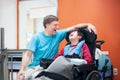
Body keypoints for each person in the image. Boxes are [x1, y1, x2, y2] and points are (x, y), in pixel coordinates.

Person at [17, 15, 97, 80]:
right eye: (55, 25)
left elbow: (75, 27)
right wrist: (22, 69)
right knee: (20, 78)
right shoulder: (36, 37)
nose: (58, 27)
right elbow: (28, 55)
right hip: (33, 66)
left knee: (37, 78)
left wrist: (88, 24)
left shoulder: (58, 34)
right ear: (47, 25)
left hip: (48, 66)